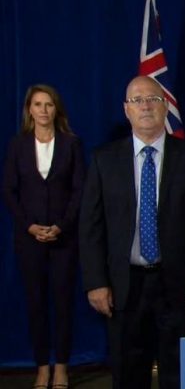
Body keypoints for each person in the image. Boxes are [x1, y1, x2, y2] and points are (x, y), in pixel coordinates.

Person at [79, 76, 185, 389]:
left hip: (180, 286)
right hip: (122, 287)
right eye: (137, 100)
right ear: (126, 110)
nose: (145, 106)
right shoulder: (104, 160)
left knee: (179, 373)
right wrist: (96, 282)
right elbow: (91, 227)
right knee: (128, 372)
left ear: (165, 106)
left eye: (152, 99)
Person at [2, 84, 84, 389]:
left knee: (63, 304)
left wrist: (61, 225)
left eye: (48, 104)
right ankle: (41, 368)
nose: (44, 110)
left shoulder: (71, 145)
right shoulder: (18, 145)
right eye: (38, 104)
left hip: (63, 239)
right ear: (29, 110)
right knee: (36, 304)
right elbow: (9, 191)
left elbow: (79, 190)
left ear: (56, 109)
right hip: (29, 240)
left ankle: (61, 366)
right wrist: (29, 226)